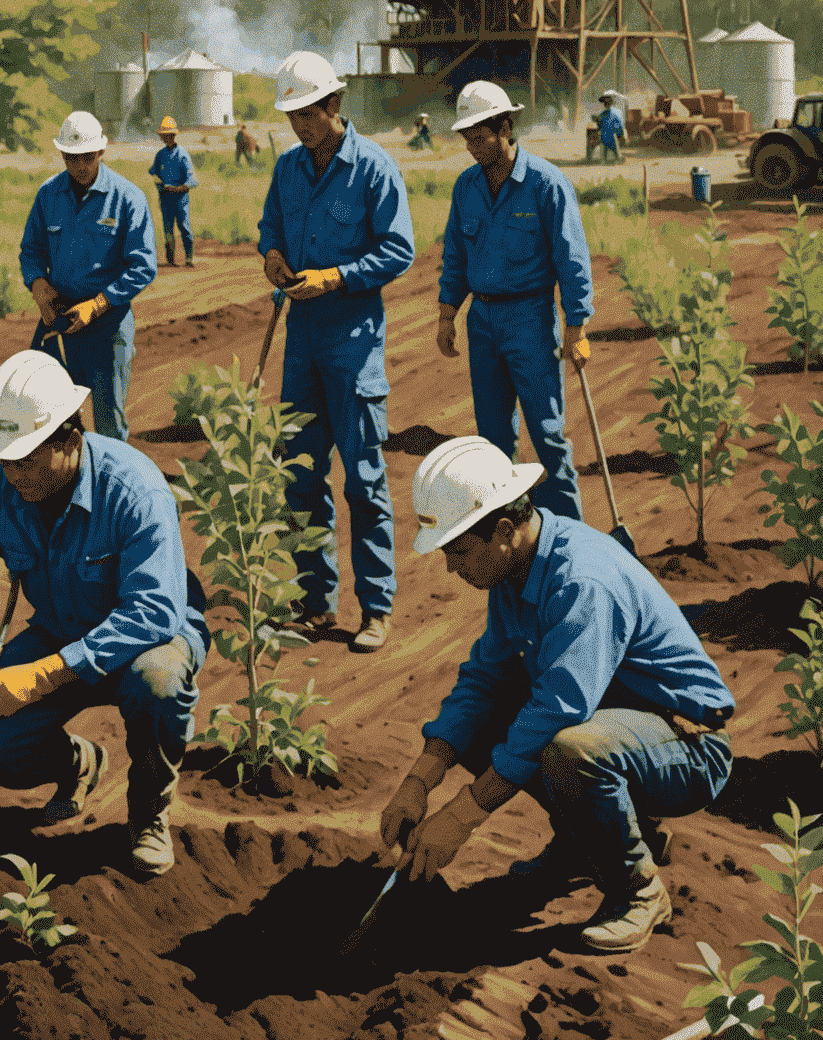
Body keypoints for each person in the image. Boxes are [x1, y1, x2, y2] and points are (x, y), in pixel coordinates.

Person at [380, 438, 734, 954]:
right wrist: (421, 779)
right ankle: (586, 842)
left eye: (457, 550)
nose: (451, 568)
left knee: (570, 748)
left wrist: (460, 817)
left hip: (687, 745)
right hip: (625, 724)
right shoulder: (514, 569)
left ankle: (638, 891)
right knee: (496, 721)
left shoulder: (581, 579)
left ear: (504, 531)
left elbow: (557, 710)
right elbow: (483, 681)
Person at [0, 350, 208, 878]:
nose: (11, 474)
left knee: (157, 684)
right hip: (60, 630)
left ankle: (148, 816)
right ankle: (78, 764)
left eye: (25, 459)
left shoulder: (134, 488)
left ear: (69, 439)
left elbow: (155, 610)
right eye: (3, 458)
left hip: (148, 640)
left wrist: (40, 675)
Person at [258, 51, 415, 654]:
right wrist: (272, 257)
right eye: (292, 115)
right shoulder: (288, 169)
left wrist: (337, 277)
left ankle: (375, 607)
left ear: (333, 106)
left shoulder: (374, 169)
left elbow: (398, 250)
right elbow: (270, 227)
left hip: (353, 342)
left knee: (364, 481)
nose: (300, 125)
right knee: (300, 475)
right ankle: (315, 604)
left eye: (308, 113)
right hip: (301, 342)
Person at [438, 80, 593, 522]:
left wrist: (577, 326)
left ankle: (565, 534)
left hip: (530, 317)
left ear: (506, 127)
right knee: (492, 441)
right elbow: (455, 254)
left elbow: (572, 258)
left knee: (547, 435)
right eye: (466, 138)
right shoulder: (466, 187)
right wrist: (447, 313)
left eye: (480, 137)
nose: (472, 147)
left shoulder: (546, 184)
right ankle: (511, 531)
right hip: (481, 319)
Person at [19, 111, 157, 442]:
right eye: (71, 158)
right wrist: (38, 285)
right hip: (58, 319)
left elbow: (143, 265)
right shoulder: (48, 195)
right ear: (62, 155)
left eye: (88, 157)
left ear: (102, 152)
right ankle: (64, 491)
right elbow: (32, 251)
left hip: (107, 324)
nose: (80, 165)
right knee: (50, 419)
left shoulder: (128, 199)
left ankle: (108, 488)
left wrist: (97, 304)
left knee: (108, 421)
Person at [148, 115, 197, 268]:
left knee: (184, 226)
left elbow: (191, 180)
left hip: (180, 198)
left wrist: (178, 188)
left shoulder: (183, 155)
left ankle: (189, 258)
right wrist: (160, 186)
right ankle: (170, 259)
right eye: (163, 136)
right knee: (168, 228)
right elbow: (154, 173)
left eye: (168, 135)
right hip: (165, 198)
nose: (165, 138)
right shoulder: (160, 155)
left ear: (174, 135)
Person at [597, 92, 625, 163]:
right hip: (611, 136)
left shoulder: (603, 114)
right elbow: (619, 126)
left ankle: (607, 160)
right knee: (614, 149)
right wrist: (621, 134)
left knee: (608, 149)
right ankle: (616, 159)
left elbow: (600, 125)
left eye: (605, 103)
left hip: (607, 136)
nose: (604, 104)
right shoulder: (616, 112)